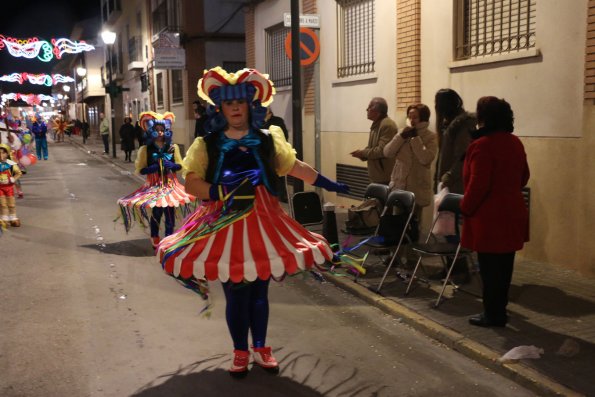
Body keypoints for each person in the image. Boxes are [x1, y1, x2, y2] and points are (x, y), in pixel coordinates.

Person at [157, 67, 349, 378]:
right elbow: (191, 182)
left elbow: (293, 166)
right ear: (220, 108)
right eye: (229, 104)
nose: (235, 108)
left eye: (240, 103)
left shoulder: (268, 138)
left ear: (250, 105)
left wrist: (328, 182)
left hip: (264, 219)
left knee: (259, 289)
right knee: (236, 290)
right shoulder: (208, 143)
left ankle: (260, 348)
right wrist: (218, 191)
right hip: (224, 221)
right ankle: (240, 351)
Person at [461, 97, 529, 328]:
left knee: (489, 269)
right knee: (505, 267)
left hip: (489, 216)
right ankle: (499, 310)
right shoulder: (514, 142)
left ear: (483, 117)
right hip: (512, 211)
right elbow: (524, 176)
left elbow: (479, 185)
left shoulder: (482, 145)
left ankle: (493, 314)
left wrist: (465, 207)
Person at [117, 111, 195, 248]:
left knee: (170, 216)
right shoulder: (145, 150)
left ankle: (169, 239)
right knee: (156, 214)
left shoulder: (173, 147)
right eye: (157, 130)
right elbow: (140, 169)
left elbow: (181, 166)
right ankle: (155, 237)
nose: (160, 133)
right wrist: (151, 168)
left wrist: (173, 166)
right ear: (151, 131)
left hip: (170, 187)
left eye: (162, 130)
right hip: (154, 187)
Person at [383, 104, 437, 242]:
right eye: (410, 116)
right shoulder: (402, 133)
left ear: (423, 118)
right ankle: (395, 255)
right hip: (400, 185)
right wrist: (400, 137)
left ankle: (411, 257)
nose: (412, 120)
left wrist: (415, 139)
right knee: (397, 223)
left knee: (413, 224)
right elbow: (387, 152)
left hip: (416, 187)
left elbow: (425, 158)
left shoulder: (431, 137)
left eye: (415, 117)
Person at [434, 89, 476, 194]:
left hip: (456, 183)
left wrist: (448, 176)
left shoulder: (462, 125)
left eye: (437, 103)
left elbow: (463, 156)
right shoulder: (448, 125)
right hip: (448, 183)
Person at [350, 97, 397, 185]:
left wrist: (363, 153)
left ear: (378, 111)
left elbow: (382, 151)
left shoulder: (387, 125)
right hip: (376, 176)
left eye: (370, 107)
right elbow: (372, 147)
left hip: (384, 177)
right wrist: (362, 154)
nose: (367, 109)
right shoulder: (376, 124)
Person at [262, 107, 289, 201]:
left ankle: (281, 196)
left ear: (269, 110)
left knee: (279, 174)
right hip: (264, 154)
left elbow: (284, 135)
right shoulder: (258, 122)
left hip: (276, 152)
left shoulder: (277, 121)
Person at [0, 144, 23, 227]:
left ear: (7, 153)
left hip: (9, 187)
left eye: (3, 153)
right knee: (2, 204)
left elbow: (19, 173)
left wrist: (12, 179)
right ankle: (4, 219)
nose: (1, 155)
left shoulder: (11, 164)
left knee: (11, 203)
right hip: (0, 188)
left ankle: (13, 218)